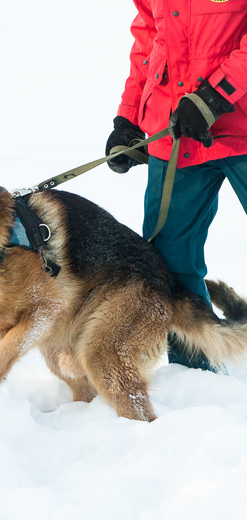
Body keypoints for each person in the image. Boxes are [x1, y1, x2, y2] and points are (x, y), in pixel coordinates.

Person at [104, 1, 247, 370]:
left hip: (239, 121)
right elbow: (150, 34)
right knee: (168, 258)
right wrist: (130, 117)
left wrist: (215, 96)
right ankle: (195, 373)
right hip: (179, 129)